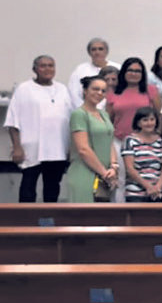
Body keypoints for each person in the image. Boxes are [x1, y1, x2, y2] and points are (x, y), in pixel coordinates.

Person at [5, 55, 73, 202]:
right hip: (32, 148)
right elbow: (12, 121)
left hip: (57, 149)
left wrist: (70, 147)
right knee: (28, 187)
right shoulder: (24, 89)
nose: (47, 69)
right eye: (43, 66)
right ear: (34, 69)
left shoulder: (62, 89)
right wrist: (17, 147)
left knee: (52, 187)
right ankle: (26, 221)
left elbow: (70, 120)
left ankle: (48, 220)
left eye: (51, 65)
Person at [67, 75, 118, 201]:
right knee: (83, 218)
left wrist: (113, 166)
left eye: (103, 90)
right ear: (85, 91)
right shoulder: (79, 114)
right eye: (95, 89)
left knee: (102, 218)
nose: (99, 93)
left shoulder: (104, 114)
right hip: (84, 173)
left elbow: (109, 140)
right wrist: (103, 172)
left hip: (105, 175)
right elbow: (83, 149)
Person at [121, 107, 162, 202]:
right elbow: (130, 169)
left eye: (152, 119)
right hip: (136, 193)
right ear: (138, 123)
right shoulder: (130, 140)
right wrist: (148, 186)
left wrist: (158, 186)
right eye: (145, 120)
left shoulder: (159, 140)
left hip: (157, 192)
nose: (149, 123)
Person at [68, 38, 120, 109]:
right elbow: (73, 93)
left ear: (106, 51)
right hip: (88, 112)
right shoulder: (80, 70)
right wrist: (85, 110)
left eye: (100, 49)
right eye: (93, 49)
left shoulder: (117, 67)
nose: (97, 52)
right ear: (89, 52)